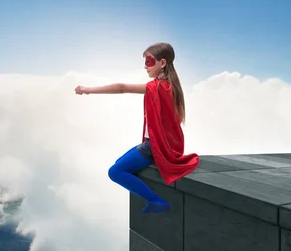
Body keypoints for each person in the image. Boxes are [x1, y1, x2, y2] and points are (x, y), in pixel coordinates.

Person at [74, 42, 199, 214]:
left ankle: (156, 200)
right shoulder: (169, 86)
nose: (145, 66)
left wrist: (88, 90)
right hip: (162, 145)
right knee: (120, 163)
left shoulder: (157, 87)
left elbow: (122, 88)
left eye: (149, 61)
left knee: (115, 172)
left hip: (154, 147)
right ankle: (155, 197)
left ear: (162, 63)